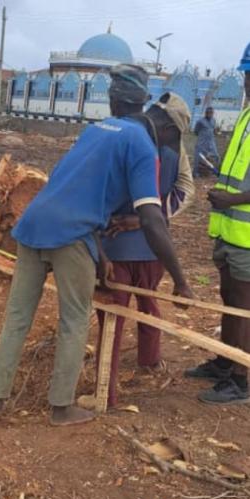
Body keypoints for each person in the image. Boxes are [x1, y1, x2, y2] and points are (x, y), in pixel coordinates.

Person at [0, 64, 193, 427]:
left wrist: (101, 255)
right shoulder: (143, 147)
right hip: (72, 236)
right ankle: (61, 408)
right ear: (167, 128)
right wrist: (180, 279)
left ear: (115, 101)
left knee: (17, 317)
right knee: (74, 319)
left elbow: (75, 191)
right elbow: (151, 219)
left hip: (32, 225)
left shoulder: (96, 130)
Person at [94, 93, 195, 406]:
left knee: (112, 319)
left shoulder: (115, 138)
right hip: (153, 249)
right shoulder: (169, 151)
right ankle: (148, 361)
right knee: (147, 303)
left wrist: (139, 219)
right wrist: (152, 218)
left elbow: (96, 191)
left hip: (117, 249)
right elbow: (183, 191)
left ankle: (106, 391)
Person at [185, 44, 250, 404]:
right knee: (229, 299)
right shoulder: (246, 116)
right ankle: (226, 362)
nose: (247, 82)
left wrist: (232, 200)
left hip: (247, 236)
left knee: (243, 307)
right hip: (229, 230)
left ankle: (240, 379)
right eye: (246, 74)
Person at [193, 106, 219, 177]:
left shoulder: (213, 121)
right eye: (209, 113)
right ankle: (195, 173)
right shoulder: (200, 122)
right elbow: (196, 132)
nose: (210, 114)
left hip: (211, 142)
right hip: (202, 143)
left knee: (216, 156)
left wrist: (215, 132)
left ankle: (213, 171)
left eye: (211, 113)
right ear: (206, 113)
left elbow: (213, 130)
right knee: (198, 157)